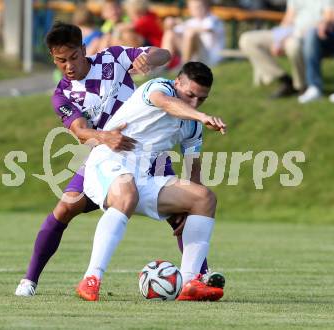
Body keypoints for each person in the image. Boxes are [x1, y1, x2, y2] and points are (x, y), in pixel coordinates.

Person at [14, 22, 210, 297]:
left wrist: (147, 59)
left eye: (73, 57)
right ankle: (29, 280)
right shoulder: (62, 95)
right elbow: (81, 132)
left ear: (84, 50)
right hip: (106, 157)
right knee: (63, 210)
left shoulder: (112, 58)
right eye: (61, 60)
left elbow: (163, 54)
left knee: (185, 212)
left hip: (149, 152)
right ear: (53, 58)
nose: (69, 65)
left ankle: (200, 277)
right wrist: (105, 137)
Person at [77, 62, 227, 302]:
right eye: (190, 95)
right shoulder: (157, 88)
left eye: (202, 99)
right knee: (126, 192)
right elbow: (167, 103)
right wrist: (201, 115)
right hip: (106, 164)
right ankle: (91, 278)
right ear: (177, 83)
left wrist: (189, 212)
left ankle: (190, 283)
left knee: (204, 198)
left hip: (142, 178)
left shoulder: (192, 124)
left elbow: (193, 170)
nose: (195, 103)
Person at [239, 0, 334, 98]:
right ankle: (284, 79)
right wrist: (278, 40)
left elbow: (328, 19)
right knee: (247, 40)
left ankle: (301, 86)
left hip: (308, 36)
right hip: (289, 33)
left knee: (293, 45)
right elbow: (288, 18)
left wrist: (290, 36)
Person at [161, 0, 225, 67]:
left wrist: (182, 24)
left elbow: (208, 29)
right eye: (192, 7)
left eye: (198, 7)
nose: (195, 10)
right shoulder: (191, 22)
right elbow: (176, 32)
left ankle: (184, 67)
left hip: (210, 58)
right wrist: (169, 25)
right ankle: (161, 66)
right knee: (170, 34)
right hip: (195, 56)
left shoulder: (214, 19)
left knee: (190, 33)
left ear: (206, 6)